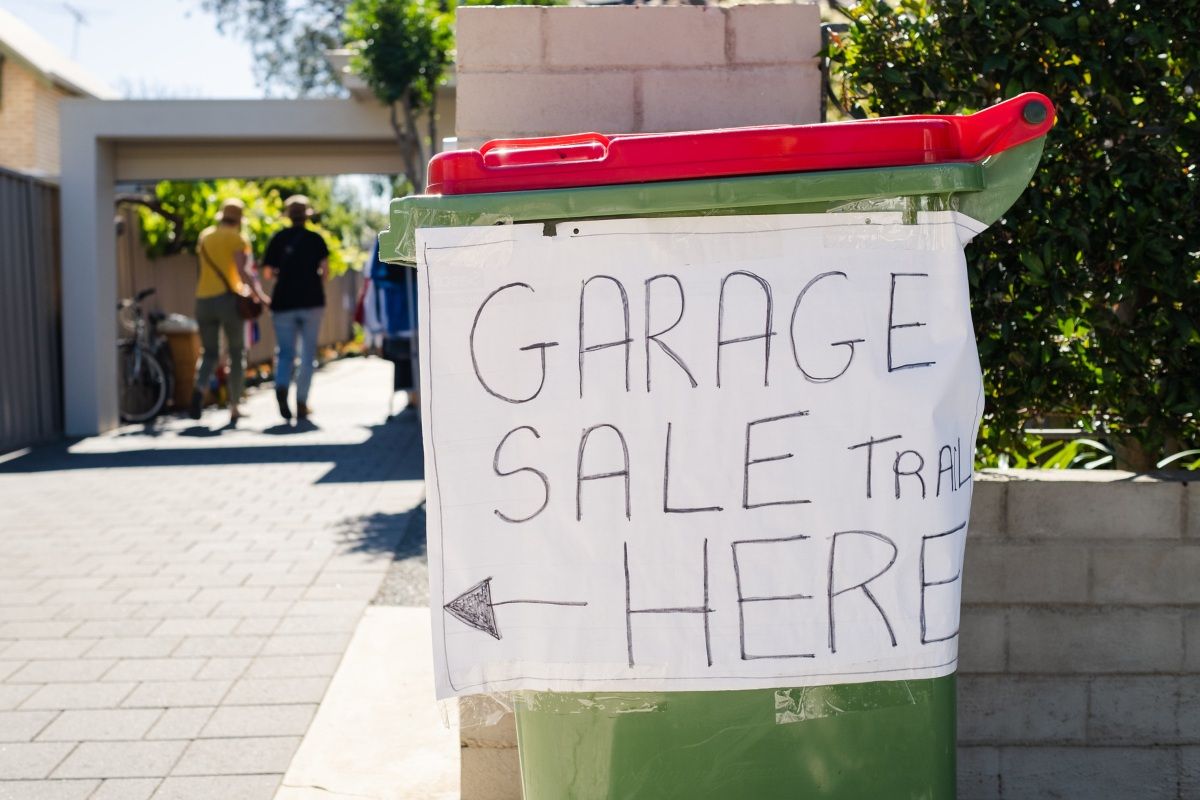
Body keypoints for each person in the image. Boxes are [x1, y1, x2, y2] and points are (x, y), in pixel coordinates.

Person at [190, 198, 267, 426]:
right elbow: (243, 272)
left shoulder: (205, 237)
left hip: (203, 300)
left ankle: (198, 389)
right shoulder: (237, 239)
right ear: (239, 219)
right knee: (236, 352)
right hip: (228, 301)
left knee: (210, 352)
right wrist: (259, 295)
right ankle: (234, 406)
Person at [262, 194, 329, 421]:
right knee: (308, 354)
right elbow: (325, 271)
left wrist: (283, 274)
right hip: (311, 300)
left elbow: (268, 272)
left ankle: (282, 385)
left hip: (283, 302)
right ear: (306, 216)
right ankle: (301, 402)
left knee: (286, 352)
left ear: (289, 216)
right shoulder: (316, 239)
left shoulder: (278, 238)